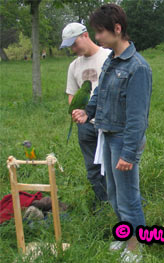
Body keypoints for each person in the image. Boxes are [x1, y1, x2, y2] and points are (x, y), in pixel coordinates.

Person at [72, 4, 152, 263]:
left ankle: (136, 248)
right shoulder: (110, 60)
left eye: (101, 32)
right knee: (114, 193)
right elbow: (99, 92)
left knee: (128, 196)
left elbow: (137, 117)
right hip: (105, 133)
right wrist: (88, 112)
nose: (97, 37)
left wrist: (128, 153)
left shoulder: (137, 68)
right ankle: (124, 235)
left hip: (123, 139)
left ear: (117, 30)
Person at [60, 22, 110, 207]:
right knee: (93, 170)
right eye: (69, 46)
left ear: (86, 35)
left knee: (116, 168)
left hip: (110, 124)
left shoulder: (109, 56)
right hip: (87, 126)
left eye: (75, 44)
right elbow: (72, 95)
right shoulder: (73, 66)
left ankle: (125, 207)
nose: (73, 49)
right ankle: (104, 206)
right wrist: (77, 113)